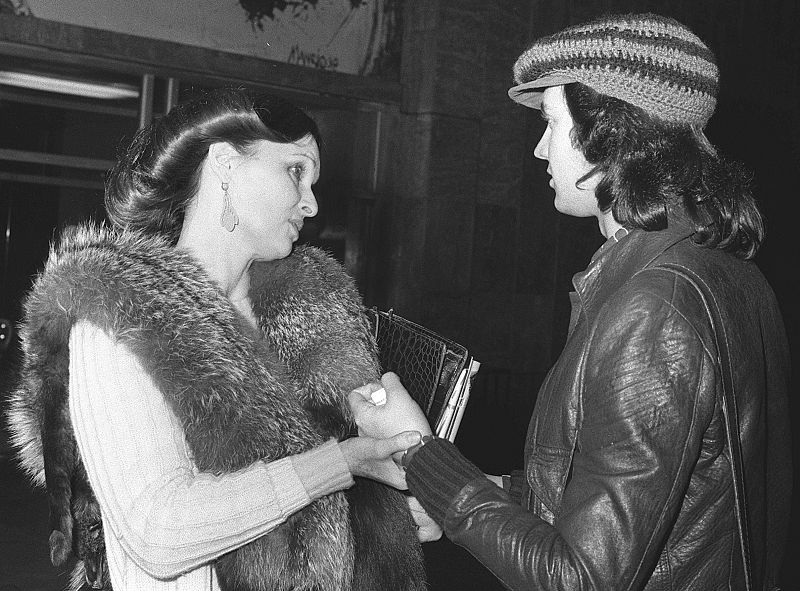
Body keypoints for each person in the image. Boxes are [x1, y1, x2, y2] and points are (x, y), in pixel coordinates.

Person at [349, 13, 792, 591]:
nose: (538, 150)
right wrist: (466, 496)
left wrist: (419, 451)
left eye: (551, 123)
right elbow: (594, 493)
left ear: (610, 137)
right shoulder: (719, 267)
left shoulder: (654, 307)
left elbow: (581, 577)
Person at [6, 87, 428, 591]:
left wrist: (415, 461)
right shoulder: (120, 323)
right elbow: (160, 534)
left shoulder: (315, 312)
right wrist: (340, 462)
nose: (312, 205)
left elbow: (404, 522)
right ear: (225, 167)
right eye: (295, 171)